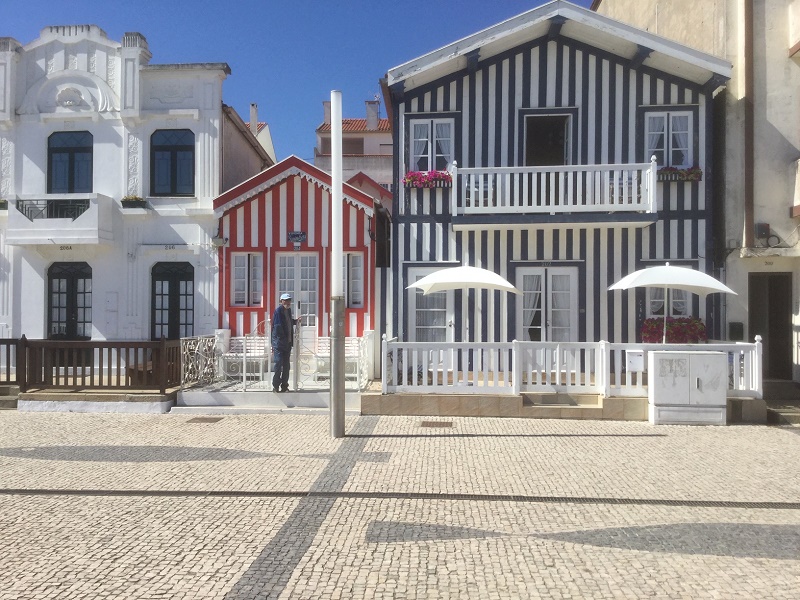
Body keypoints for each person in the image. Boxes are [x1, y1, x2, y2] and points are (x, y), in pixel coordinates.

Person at [271, 292, 299, 392]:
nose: (287, 302)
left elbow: (288, 321)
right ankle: (275, 386)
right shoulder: (278, 311)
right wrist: (282, 340)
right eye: (285, 300)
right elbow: (278, 327)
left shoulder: (288, 310)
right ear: (281, 301)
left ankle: (284, 386)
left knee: (286, 365)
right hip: (279, 343)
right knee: (278, 364)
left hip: (287, 343)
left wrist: (295, 321)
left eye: (289, 300)